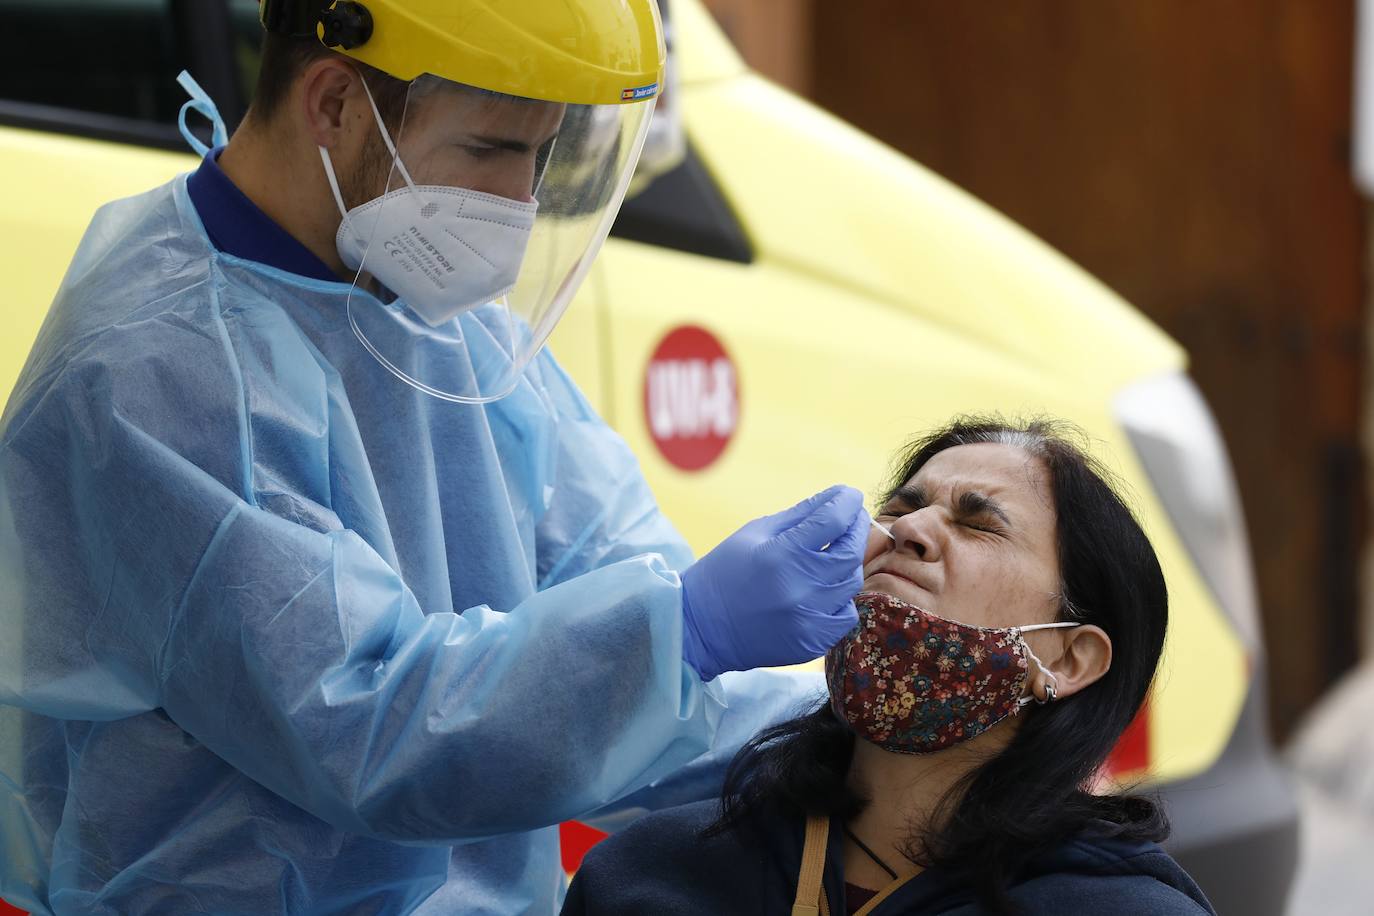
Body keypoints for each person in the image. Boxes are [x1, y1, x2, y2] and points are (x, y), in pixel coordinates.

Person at [0, 2, 868, 913]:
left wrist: (839, 731)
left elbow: (606, 589)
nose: (520, 202)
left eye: (542, 155)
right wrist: (684, 635)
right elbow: (376, 728)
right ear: (333, 104)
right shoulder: (156, 371)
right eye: (490, 150)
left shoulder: (424, 309)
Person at [563, 417, 1217, 916]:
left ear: (1070, 659)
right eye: (901, 509)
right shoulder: (647, 876)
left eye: (978, 524)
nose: (906, 532)